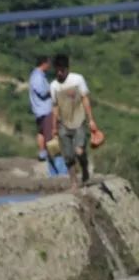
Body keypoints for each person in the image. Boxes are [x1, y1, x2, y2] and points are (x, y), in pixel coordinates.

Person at [50, 54, 99, 189]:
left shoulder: (77, 79)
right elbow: (55, 107)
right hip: (63, 125)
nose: (59, 73)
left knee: (79, 151)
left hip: (79, 121)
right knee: (68, 156)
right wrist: (54, 127)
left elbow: (85, 99)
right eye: (57, 70)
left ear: (67, 68)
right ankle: (73, 182)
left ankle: (84, 168)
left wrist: (91, 120)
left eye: (62, 70)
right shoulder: (53, 86)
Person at [29, 55, 54, 161]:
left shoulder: (38, 75)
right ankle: (49, 156)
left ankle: (43, 153)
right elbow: (42, 92)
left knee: (42, 132)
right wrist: (53, 89)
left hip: (41, 109)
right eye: (48, 63)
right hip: (44, 110)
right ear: (44, 64)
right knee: (48, 133)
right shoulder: (37, 76)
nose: (49, 66)